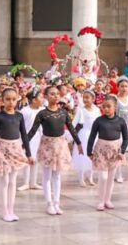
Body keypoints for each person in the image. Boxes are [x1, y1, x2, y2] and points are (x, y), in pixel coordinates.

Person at [27, 86, 82, 216]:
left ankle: (57, 202)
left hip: (60, 145)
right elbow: (33, 130)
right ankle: (49, 203)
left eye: (57, 94)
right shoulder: (42, 114)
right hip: (47, 145)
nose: (55, 96)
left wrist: (78, 143)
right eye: (52, 94)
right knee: (47, 176)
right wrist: (25, 144)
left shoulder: (63, 113)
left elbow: (71, 128)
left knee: (57, 175)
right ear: (46, 96)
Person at [0, 88, 32, 222]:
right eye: (8, 99)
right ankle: (4, 210)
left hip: (16, 149)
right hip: (3, 150)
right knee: (4, 181)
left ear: (17, 100)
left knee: (13, 181)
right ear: (2, 101)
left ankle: (11, 209)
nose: (11, 102)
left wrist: (28, 154)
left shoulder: (19, 116)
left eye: (13, 99)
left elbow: (24, 135)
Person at [86, 96, 128, 211]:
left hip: (115, 151)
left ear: (115, 107)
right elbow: (92, 136)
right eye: (104, 106)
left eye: (108, 106)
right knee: (103, 177)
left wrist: (122, 151)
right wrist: (89, 151)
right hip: (101, 150)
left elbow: (126, 138)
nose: (106, 109)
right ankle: (100, 200)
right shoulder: (99, 121)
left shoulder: (121, 121)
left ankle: (107, 200)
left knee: (111, 177)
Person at [72, 90, 100, 187]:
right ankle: (81, 178)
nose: (85, 99)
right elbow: (74, 122)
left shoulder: (96, 109)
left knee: (92, 156)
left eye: (87, 97)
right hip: (84, 134)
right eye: (84, 97)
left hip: (94, 135)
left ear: (93, 99)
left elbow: (99, 122)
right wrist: (71, 134)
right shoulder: (81, 110)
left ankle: (90, 177)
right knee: (82, 156)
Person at [18, 89, 44, 191]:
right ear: (33, 100)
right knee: (27, 159)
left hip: (39, 136)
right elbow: (21, 126)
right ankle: (26, 182)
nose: (42, 99)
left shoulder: (42, 110)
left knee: (36, 160)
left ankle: (33, 182)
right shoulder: (25, 111)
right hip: (27, 138)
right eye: (40, 97)